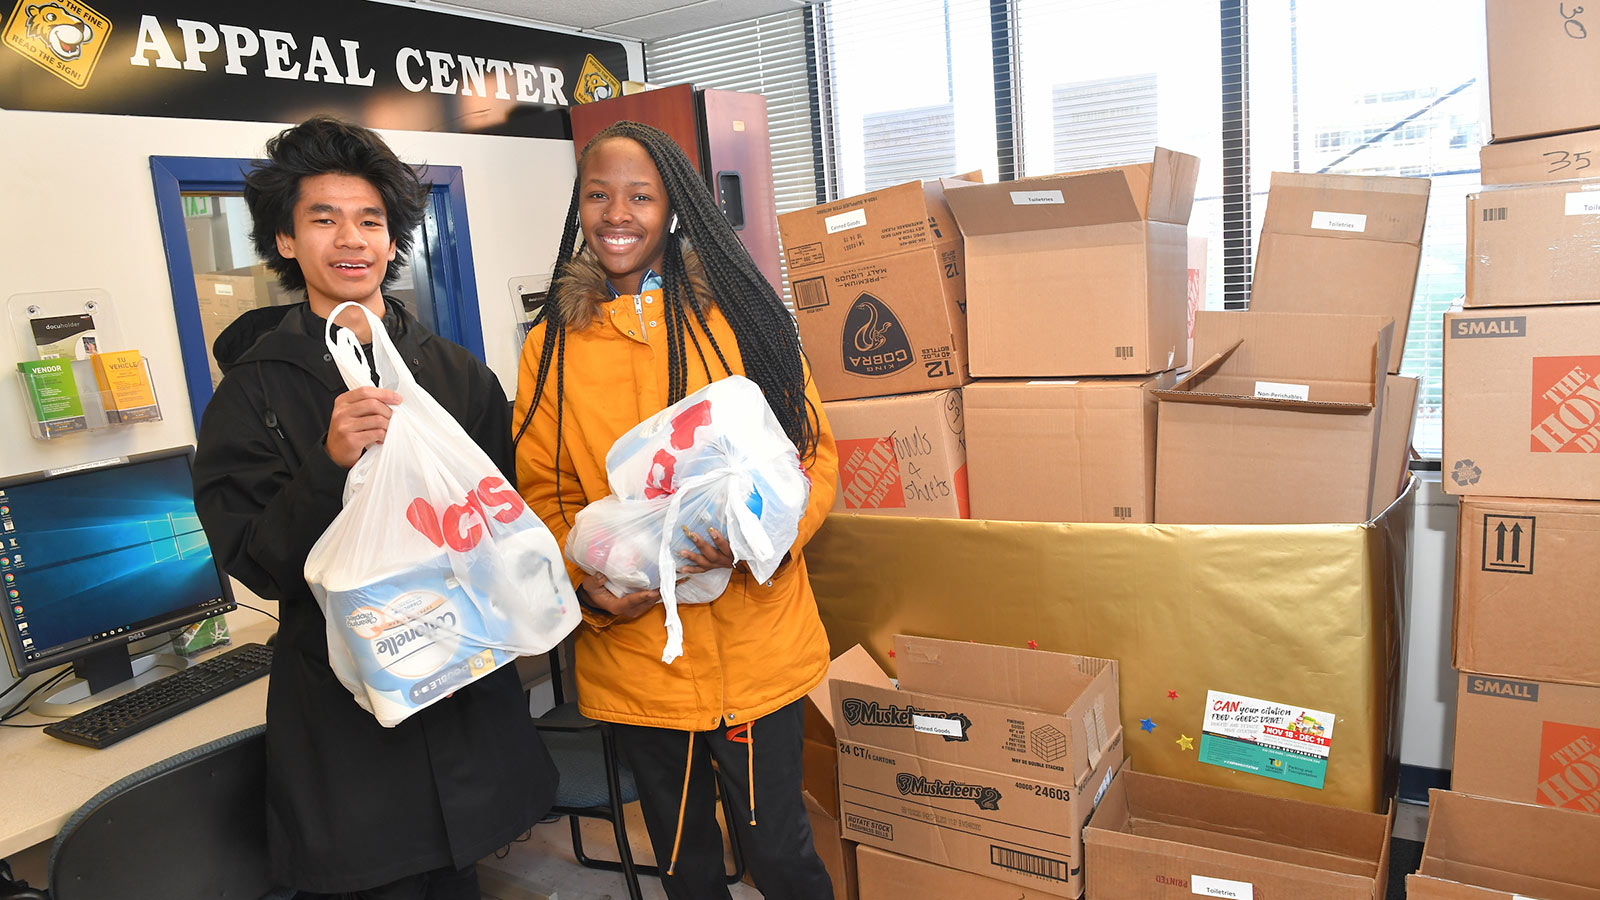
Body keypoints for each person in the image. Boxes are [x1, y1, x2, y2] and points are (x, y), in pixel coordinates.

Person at [192, 116, 557, 900]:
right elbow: (255, 560)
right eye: (323, 219)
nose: (350, 239)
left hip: (461, 691)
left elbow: (503, 520)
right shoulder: (253, 392)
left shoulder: (455, 375)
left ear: (394, 243)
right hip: (345, 719)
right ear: (286, 242)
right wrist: (328, 467)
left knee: (464, 881)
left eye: (370, 221)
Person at [513, 121, 839, 900]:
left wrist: (759, 539)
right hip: (639, 660)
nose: (615, 214)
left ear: (676, 207)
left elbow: (816, 457)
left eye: (639, 195)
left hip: (758, 649)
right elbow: (543, 495)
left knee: (781, 857)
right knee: (686, 868)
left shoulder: (743, 319)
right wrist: (588, 586)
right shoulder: (553, 345)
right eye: (597, 195)